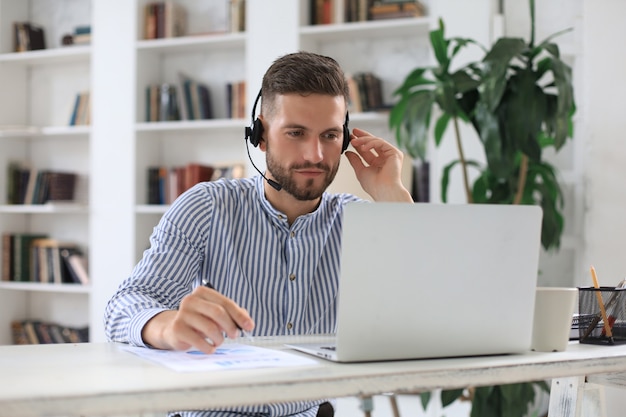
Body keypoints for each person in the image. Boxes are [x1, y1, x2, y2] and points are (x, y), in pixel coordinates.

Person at [104, 51, 413, 417]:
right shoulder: (207, 206)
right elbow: (124, 305)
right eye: (296, 133)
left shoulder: (361, 222)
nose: (315, 154)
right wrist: (167, 326)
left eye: (329, 135)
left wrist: (391, 196)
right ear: (261, 135)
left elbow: (428, 310)